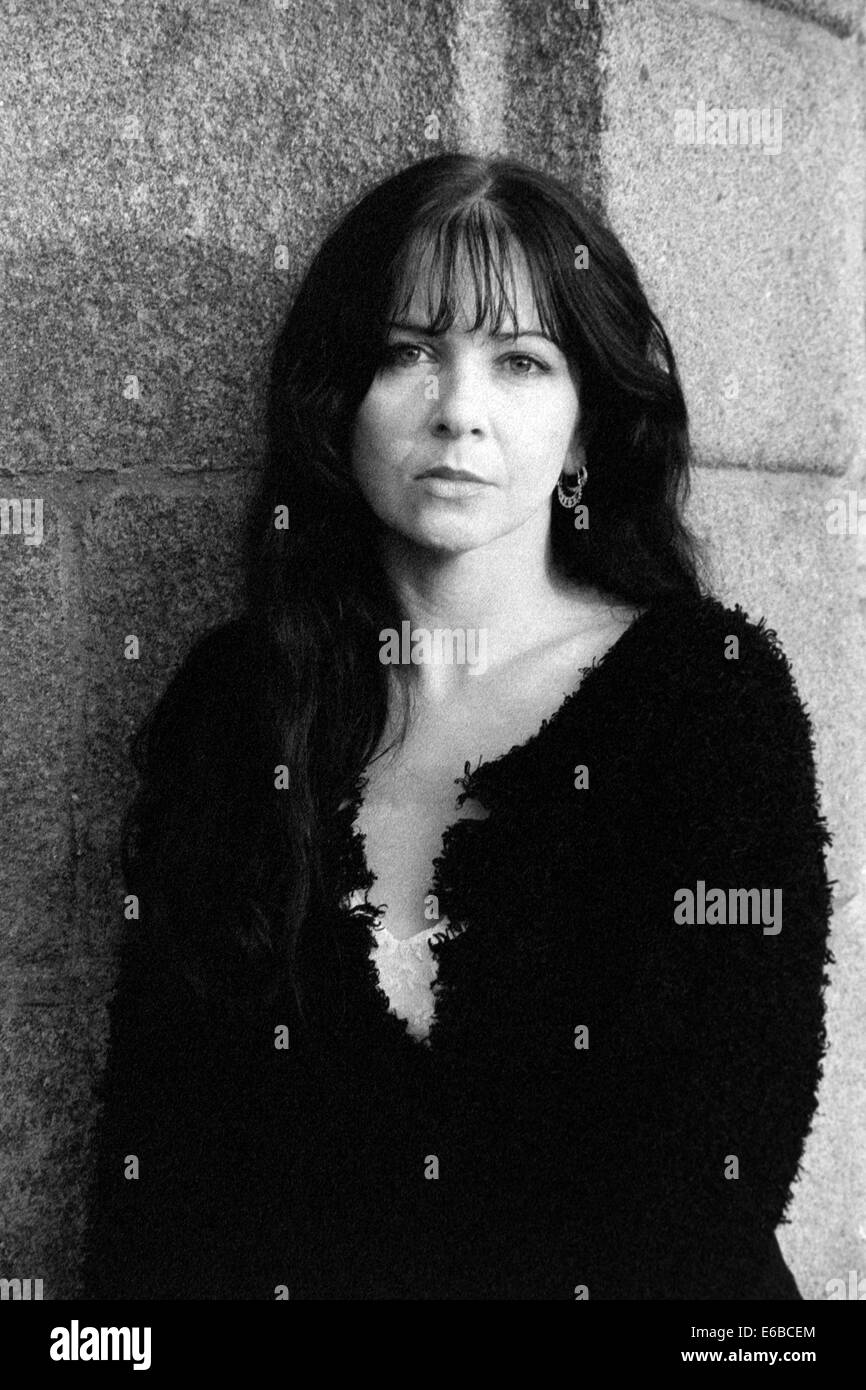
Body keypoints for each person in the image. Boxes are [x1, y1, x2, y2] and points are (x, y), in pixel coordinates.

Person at [81, 152, 833, 1300]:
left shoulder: (700, 700)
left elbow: (705, 1178)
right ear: (337, 401)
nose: (457, 412)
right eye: (407, 352)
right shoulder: (237, 705)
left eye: (520, 362)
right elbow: (159, 1169)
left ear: (586, 426)